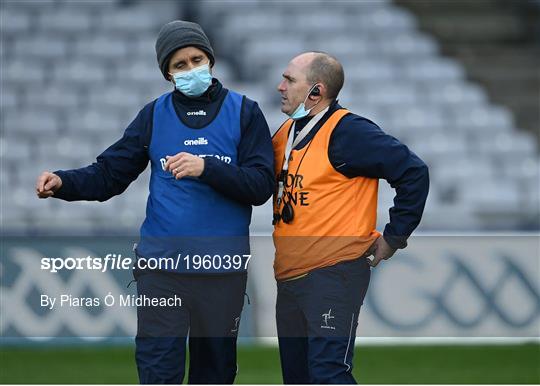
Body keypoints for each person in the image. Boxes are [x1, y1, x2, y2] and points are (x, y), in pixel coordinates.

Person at [35, 20, 274, 384]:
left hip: (221, 270)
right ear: (167, 73)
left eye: (197, 59)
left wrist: (205, 168)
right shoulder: (153, 115)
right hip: (161, 268)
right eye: (179, 65)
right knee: (157, 370)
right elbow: (109, 175)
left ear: (210, 59)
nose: (191, 69)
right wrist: (64, 182)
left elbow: (260, 186)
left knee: (215, 373)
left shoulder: (245, 112)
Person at [272, 52, 429, 384]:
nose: (280, 87)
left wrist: (394, 236)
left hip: (333, 273)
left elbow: (413, 172)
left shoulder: (349, 131)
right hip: (289, 276)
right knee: (298, 379)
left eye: (289, 80)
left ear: (316, 92)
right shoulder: (285, 133)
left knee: (328, 374)